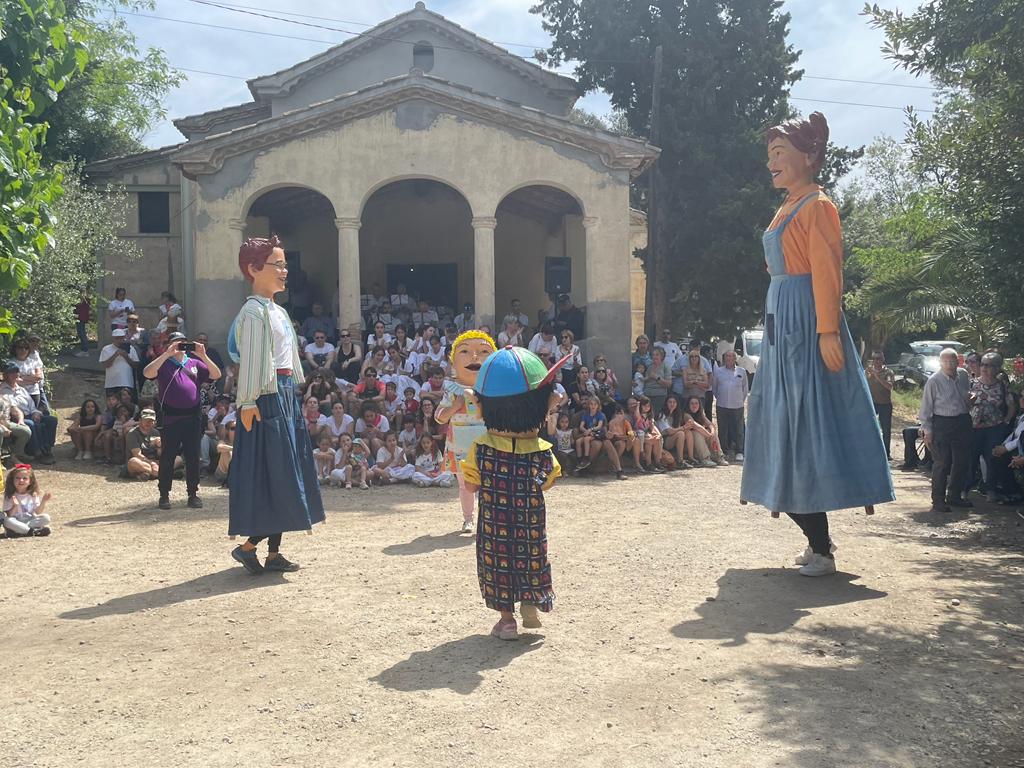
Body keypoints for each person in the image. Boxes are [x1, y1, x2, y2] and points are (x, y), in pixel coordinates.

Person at [740, 112, 894, 577]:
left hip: (805, 324)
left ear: (809, 156)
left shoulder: (818, 206)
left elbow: (827, 271)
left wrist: (827, 330)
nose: (772, 162)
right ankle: (815, 538)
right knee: (779, 427)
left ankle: (822, 546)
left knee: (806, 426)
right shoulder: (788, 206)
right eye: (770, 154)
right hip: (783, 322)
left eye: (780, 152)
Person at [227, 236, 325, 575]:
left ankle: (272, 553)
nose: (284, 271)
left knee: (286, 471)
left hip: (283, 392)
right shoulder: (253, 313)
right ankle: (249, 546)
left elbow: (285, 358)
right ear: (254, 269)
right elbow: (253, 361)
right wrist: (249, 401)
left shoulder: (277, 310)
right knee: (275, 473)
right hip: (265, 396)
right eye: (277, 264)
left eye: (285, 264)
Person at [461, 345, 565, 640]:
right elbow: (549, 481)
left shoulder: (481, 449)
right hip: (530, 520)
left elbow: (470, 484)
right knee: (532, 556)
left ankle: (507, 621)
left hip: (495, 522)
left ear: (482, 405)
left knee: (497, 563)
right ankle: (531, 600)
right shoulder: (541, 451)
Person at [143, 332, 221, 510]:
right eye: (176, 343)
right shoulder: (164, 363)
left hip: (192, 418)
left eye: (182, 343)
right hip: (171, 419)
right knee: (168, 457)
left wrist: (202, 355)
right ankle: (164, 495)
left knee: (193, 457)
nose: (180, 346)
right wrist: (166, 354)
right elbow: (147, 373)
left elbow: (215, 374)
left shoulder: (194, 363)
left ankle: (193, 494)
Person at [918, 348, 972, 513]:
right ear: (941, 363)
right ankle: (938, 500)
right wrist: (927, 431)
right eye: (946, 362)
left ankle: (954, 496)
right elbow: (925, 409)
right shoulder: (934, 381)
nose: (949, 365)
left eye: (952, 361)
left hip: (962, 421)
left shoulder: (963, 375)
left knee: (962, 461)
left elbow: (966, 395)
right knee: (942, 462)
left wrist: (971, 398)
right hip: (942, 423)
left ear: (958, 362)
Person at [965, 352, 1016, 502]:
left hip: (995, 427)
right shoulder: (972, 382)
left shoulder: (1002, 384)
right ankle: (964, 490)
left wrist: (1005, 423)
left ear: (998, 368)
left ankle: (991, 490)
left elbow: (1011, 405)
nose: (984, 368)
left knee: (992, 459)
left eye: (989, 365)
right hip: (974, 427)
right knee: (971, 459)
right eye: (982, 364)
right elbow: (965, 405)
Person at [0, 362, 56, 464]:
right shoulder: (2, 390)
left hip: (30, 414)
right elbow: (13, 409)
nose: (14, 374)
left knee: (51, 420)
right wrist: (21, 419)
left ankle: (47, 448)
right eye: (11, 372)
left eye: (16, 372)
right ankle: (37, 452)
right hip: (14, 418)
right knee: (30, 423)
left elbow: (32, 405)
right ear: (5, 375)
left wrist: (36, 413)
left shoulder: (21, 390)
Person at [712, 349, 749, 461]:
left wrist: (740, 400)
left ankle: (740, 451)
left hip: (737, 405)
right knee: (723, 429)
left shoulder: (741, 371)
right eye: (726, 357)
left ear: (735, 359)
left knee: (738, 429)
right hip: (722, 405)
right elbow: (715, 388)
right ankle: (724, 450)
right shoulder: (718, 371)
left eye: (731, 357)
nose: (728, 359)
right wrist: (721, 398)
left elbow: (745, 388)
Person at [2, 464, 52, 537]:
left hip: (29, 520)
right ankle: (33, 531)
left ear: (30, 481)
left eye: (25, 478)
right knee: (7, 521)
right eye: (17, 478)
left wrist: (43, 501)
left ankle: (19, 531)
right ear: (12, 480)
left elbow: (37, 512)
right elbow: (9, 515)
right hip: (16, 521)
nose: (21, 480)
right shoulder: (10, 495)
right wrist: (15, 506)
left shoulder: (33, 494)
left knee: (46, 517)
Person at [865, 351, 895, 460]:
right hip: (872, 404)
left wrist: (877, 376)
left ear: (883, 360)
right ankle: (870, 451)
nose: (876, 361)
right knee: (869, 428)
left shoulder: (888, 372)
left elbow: (889, 386)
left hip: (885, 404)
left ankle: (886, 453)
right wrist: (866, 374)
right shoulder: (868, 372)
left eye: (878, 359)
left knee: (886, 430)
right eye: (874, 358)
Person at [99, 329, 140, 398]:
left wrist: (126, 357)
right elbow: (106, 365)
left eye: (121, 338)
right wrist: (115, 355)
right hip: (111, 384)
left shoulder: (131, 348)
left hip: (127, 382)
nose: (119, 340)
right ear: (113, 339)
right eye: (117, 338)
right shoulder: (106, 349)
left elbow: (136, 366)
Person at [125, 408, 162, 480]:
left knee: (178, 459)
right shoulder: (132, 434)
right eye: (146, 420)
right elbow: (137, 455)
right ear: (140, 420)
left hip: (154, 461)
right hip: (141, 461)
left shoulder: (156, 432)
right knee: (133, 462)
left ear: (154, 422)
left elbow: (160, 455)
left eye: (151, 421)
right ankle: (161, 473)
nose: (148, 423)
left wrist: (160, 446)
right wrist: (152, 464)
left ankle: (148, 474)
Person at [9, 337, 43, 409]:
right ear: (15, 349)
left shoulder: (33, 361)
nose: (23, 350)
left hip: (34, 393)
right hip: (19, 394)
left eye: (26, 348)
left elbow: (39, 377)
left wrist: (23, 377)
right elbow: (15, 381)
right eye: (20, 348)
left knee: (34, 415)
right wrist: (33, 380)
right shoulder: (11, 363)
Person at [0, 390, 32, 461]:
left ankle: (16, 455)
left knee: (25, 431)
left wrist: (20, 420)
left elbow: (17, 410)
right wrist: (3, 427)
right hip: (2, 425)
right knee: (1, 431)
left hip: (7, 422)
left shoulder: (5, 398)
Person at [645, 347, 672, 416]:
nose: (654, 356)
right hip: (647, 395)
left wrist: (656, 377)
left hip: (659, 396)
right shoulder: (649, 367)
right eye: (653, 355)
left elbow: (668, 384)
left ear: (662, 356)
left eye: (657, 355)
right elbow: (646, 381)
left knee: (657, 416)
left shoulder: (666, 367)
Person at [74, 289, 92, 356]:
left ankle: (85, 350)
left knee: (82, 333)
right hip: (79, 318)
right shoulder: (83, 300)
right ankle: (84, 349)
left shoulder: (85, 300)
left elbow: (81, 305)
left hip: (81, 318)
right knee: (81, 333)